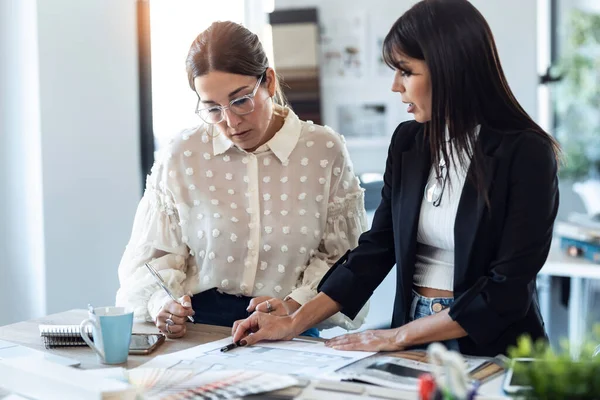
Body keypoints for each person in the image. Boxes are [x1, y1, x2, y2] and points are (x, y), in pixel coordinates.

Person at [232, 0, 561, 357]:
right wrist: (296, 320)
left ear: (449, 68)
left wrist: (395, 336)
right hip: (412, 330)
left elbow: (507, 288)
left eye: (406, 71)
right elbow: (378, 247)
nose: (395, 86)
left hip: (493, 343)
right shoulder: (410, 141)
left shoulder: (526, 153)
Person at [116, 21, 368, 338]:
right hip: (197, 329)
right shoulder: (183, 154)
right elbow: (151, 258)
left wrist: (294, 306)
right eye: (212, 109)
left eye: (241, 100)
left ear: (270, 82)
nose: (231, 122)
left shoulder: (323, 151)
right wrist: (160, 304)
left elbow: (341, 257)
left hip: (288, 329)